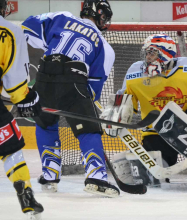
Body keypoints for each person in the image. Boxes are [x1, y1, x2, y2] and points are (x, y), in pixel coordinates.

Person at [21, 0, 119, 197]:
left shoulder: (62, 16)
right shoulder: (105, 46)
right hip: (75, 78)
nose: (105, 21)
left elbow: (27, 26)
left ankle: (49, 175)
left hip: (44, 74)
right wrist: (83, 109)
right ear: (98, 14)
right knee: (88, 129)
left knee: (46, 123)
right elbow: (93, 88)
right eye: (104, 16)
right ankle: (96, 177)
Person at [104, 33, 187, 186]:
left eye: (152, 52)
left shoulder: (186, 67)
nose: (147, 57)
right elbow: (123, 98)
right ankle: (136, 162)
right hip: (156, 129)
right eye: (146, 53)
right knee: (153, 179)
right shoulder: (135, 72)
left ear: (165, 54)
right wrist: (115, 115)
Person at [0, 0, 43, 218]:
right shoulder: (11, 31)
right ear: (4, 7)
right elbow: (16, 83)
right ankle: (25, 191)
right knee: (10, 152)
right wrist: (27, 100)